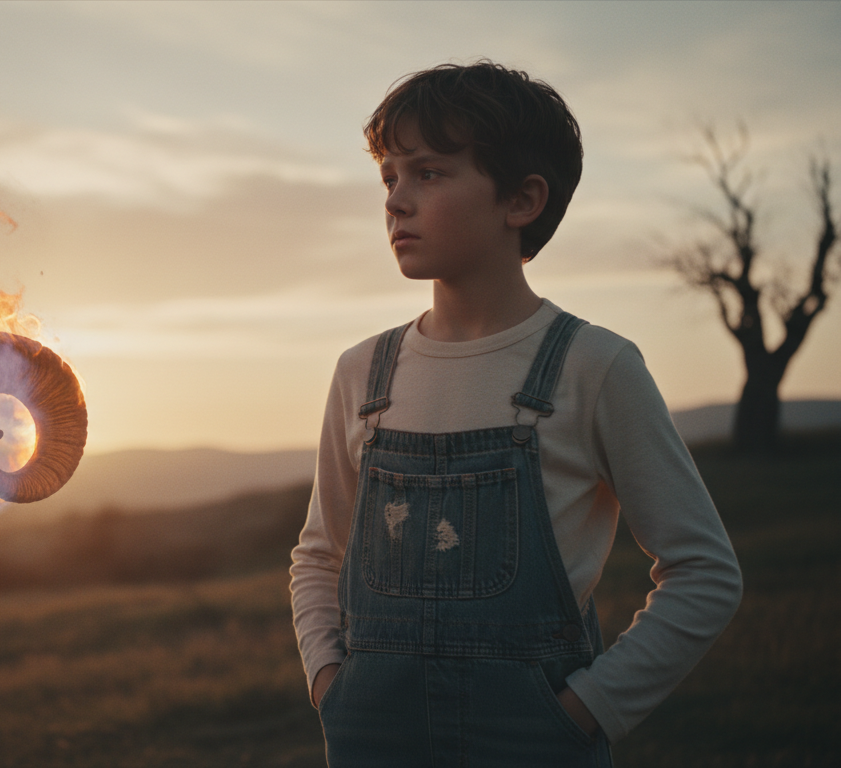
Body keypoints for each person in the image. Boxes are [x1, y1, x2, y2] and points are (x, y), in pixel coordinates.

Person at [289, 61, 742, 766]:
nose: (396, 201)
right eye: (388, 177)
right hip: (371, 740)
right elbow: (320, 555)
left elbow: (704, 570)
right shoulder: (362, 373)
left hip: (535, 746)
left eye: (428, 173)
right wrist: (330, 683)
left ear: (523, 199)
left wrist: (585, 712)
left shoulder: (595, 366)